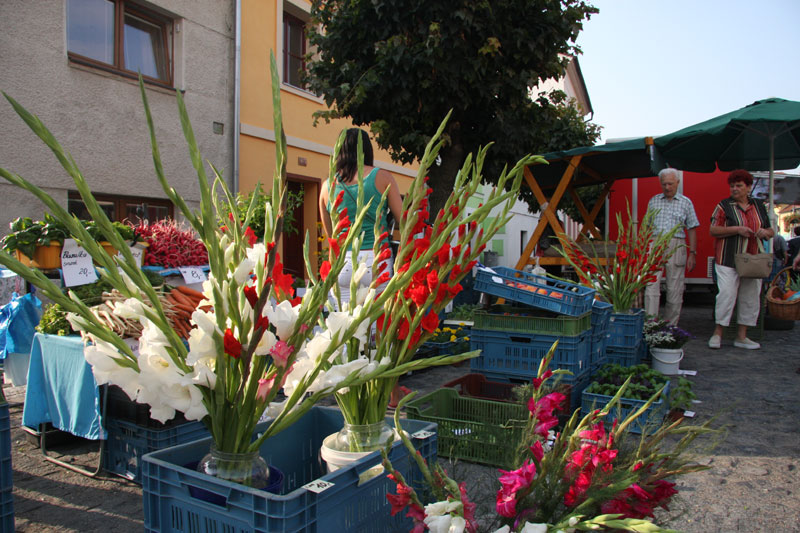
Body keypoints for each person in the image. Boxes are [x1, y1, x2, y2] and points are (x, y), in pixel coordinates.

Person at [318, 128, 403, 306]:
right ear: (367, 150)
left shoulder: (327, 187)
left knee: (345, 326)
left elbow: (332, 235)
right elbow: (405, 222)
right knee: (377, 329)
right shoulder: (382, 177)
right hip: (376, 261)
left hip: (344, 263)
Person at [708, 169, 774, 350]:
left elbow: (770, 230)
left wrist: (764, 232)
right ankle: (718, 333)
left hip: (752, 260)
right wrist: (737, 229)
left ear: (748, 187)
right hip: (728, 258)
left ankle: (741, 337)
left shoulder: (759, 206)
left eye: (739, 186)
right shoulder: (724, 205)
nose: (735, 189)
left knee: (750, 297)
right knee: (726, 295)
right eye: (732, 186)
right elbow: (713, 230)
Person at [644, 168, 700, 325]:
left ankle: (670, 326)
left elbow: (692, 228)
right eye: (664, 184)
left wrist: (692, 253)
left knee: (674, 287)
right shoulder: (654, 201)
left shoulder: (686, 202)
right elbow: (646, 227)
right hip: (655, 242)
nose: (667, 187)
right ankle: (650, 324)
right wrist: (644, 249)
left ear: (677, 183)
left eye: (670, 184)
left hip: (677, 243)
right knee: (651, 285)